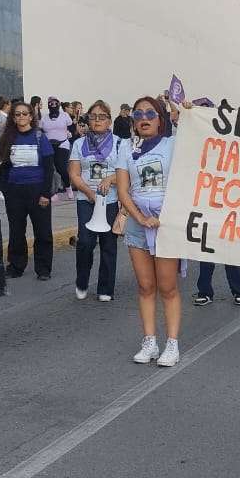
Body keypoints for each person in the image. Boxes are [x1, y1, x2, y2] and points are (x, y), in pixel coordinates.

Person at [117, 95, 181, 366]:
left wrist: (186, 112)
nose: (144, 119)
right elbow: (123, 190)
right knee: (145, 286)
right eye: (138, 114)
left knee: (167, 287)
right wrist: (141, 218)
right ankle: (150, 341)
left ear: (159, 119)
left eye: (150, 114)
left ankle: (172, 344)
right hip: (137, 225)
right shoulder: (124, 147)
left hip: (166, 226)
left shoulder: (173, 144)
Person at [68, 99, 128, 301]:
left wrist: (110, 179)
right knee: (85, 241)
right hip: (86, 199)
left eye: (102, 117)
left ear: (109, 121)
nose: (97, 120)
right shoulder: (79, 143)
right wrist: (89, 193)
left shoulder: (120, 143)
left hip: (110, 200)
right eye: (93, 117)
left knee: (108, 244)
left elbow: (126, 173)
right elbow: (74, 174)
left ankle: (105, 288)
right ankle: (82, 281)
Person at [0, 100, 55, 279]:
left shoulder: (39, 137)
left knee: (43, 232)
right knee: (16, 231)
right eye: (17, 114)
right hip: (15, 192)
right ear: (13, 118)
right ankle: (16, 266)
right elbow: (3, 166)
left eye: (25, 113)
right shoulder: (8, 138)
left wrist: (45, 194)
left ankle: (43, 269)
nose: (21, 117)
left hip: (37, 190)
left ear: (31, 117)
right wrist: (5, 189)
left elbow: (49, 167)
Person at [39, 96, 73, 197]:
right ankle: (52, 192)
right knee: (49, 168)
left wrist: (68, 133)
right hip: (49, 145)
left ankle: (68, 187)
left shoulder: (65, 115)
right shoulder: (44, 118)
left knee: (61, 167)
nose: (53, 105)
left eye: (55, 103)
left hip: (63, 144)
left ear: (58, 104)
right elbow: (40, 129)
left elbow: (70, 125)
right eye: (51, 103)